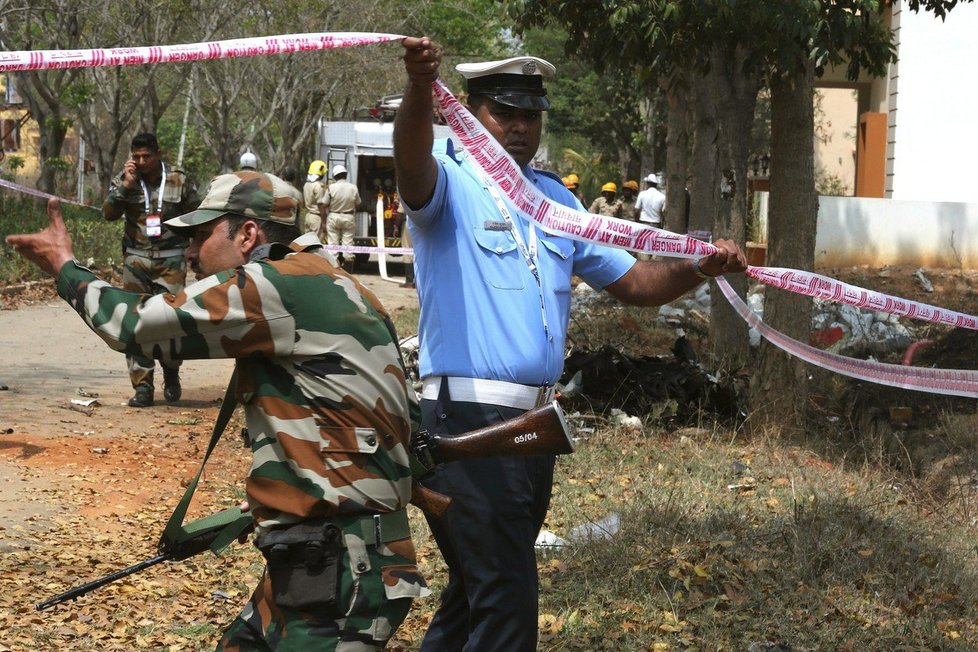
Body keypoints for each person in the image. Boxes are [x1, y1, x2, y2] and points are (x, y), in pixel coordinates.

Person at [393, 37, 747, 652]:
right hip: (471, 420)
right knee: (505, 603)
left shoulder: (556, 200)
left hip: (532, 427)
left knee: (475, 595)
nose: (522, 128)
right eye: (506, 112)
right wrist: (421, 88)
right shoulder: (447, 184)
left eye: (532, 115)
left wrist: (701, 268)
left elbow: (635, 282)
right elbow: (409, 158)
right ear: (467, 112)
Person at [7, 171, 429, 650]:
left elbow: (135, 326)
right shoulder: (341, 286)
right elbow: (397, 423)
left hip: (342, 568)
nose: (191, 252)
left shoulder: (272, 287)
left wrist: (65, 266)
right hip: (318, 558)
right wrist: (297, 483)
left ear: (247, 234)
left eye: (202, 235)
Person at [102, 132, 199, 407]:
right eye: (137, 157)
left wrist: (197, 249)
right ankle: (143, 386)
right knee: (135, 325)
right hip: (136, 261)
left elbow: (198, 216)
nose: (141, 161)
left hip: (171, 262)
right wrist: (126, 185)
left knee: (170, 322)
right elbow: (108, 213)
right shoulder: (126, 180)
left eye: (147, 156)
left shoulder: (179, 180)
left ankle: (171, 372)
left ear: (158, 154)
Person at [319, 164, 361, 271]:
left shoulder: (331, 188)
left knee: (333, 245)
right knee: (348, 245)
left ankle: (334, 270)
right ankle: (348, 271)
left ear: (334, 176)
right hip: (348, 216)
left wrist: (323, 223)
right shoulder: (353, 187)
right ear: (345, 175)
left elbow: (324, 205)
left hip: (333, 216)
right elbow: (358, 204)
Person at [303, 159, 327, 236]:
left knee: (308, 244)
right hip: (316, 218)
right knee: (316, 244)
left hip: (308, 216)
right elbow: (320, 205)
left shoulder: (306, 185)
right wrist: (324, 222)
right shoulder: (318, 186)